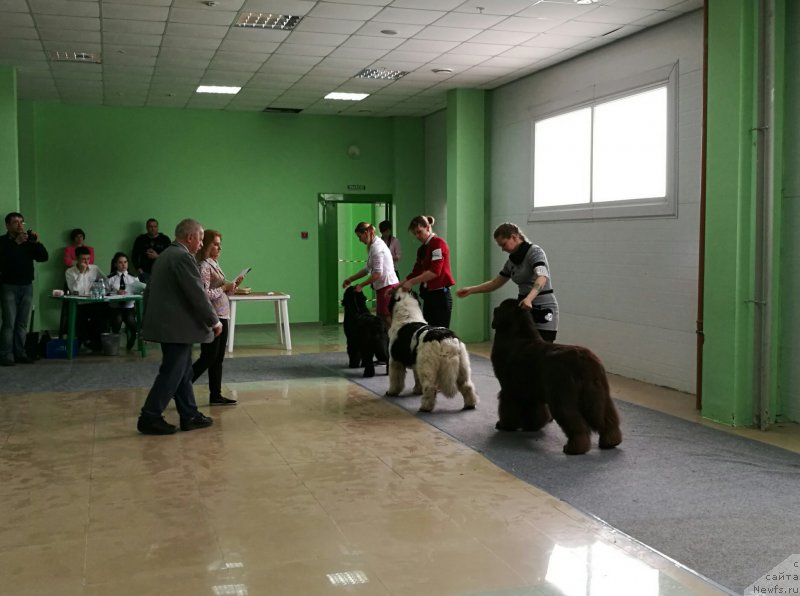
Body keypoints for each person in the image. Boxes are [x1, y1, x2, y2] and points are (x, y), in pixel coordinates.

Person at [137, 218, 221, 435]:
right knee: (172, 372)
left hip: (168, 327)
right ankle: (150, 416)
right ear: (190, 237)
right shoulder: (183, 257)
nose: (202, 244)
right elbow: (197, 294)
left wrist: (145, 322)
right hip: (177, 328)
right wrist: (214, 320)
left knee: (183, 372)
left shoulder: (165, 256)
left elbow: (149, 292)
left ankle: (189, 414)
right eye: (201, 239)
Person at [456, 222, 559, 342]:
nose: (503, 249)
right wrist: (470, 290)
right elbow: (495, 282)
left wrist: (529, 298)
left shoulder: (535, 252)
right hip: (523, 307)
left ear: (514, 237)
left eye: (504, 244)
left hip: (542, 307)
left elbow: (542, 277)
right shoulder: (511, 262)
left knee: (542, 350)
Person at [191, 229, 243, 406]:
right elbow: (203, 294)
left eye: (220, 244)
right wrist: (223, 288)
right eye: (215, 244)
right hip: (213, 317)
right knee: (208, 357)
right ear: (206, 245)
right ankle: (181, 386)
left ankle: (216, 395)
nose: (219, 248)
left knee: (218, 358)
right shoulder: (204, 266)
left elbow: (221, 288)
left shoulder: (214, 263)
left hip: (223, 314)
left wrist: (232, 286)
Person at [0, 212, 49, 366]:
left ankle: (20, 353)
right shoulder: (2, 242)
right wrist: (16, 243)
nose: (20, 225)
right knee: (9, 323)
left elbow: (43, 257)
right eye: (15, 222)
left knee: (22, 323)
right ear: (7, 225)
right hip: (8, 285)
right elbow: (3, 261)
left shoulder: (28, 242)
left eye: (22, 222)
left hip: (27, 285)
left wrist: (36, 242)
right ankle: (6, 355)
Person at [399, 215, 454, 328]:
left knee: (439, 333)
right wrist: (397, 287)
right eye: (415, 233)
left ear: (428, 228)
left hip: (440, 296)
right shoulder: (422, 249)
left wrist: (412, 282)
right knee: (428, 331)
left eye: (419, 232)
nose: (417, 236)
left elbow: (435, 272)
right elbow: (416, 272)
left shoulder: (438, 244)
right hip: (429, 296)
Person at [342, 222, 399, 327]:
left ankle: (392, 341)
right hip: (382, 286)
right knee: (382, 318)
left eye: (360, 236)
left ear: (366, 233)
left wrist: (361, 285)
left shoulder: (377, 247)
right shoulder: (372, 246)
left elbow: (377, 273)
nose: (359, 240)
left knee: (387, 319)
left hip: (388, 286)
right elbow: (367, 269)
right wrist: (351, 279)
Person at [65, 246, 107, 351]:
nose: (86, 261)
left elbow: (106, 281)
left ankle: (98, 342)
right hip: (78, 303)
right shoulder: (70, 272)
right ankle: (86, 340)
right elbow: (75, 290)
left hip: (93, 302)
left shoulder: (94, 268)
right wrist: (81, 273)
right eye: (83, 259)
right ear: (77, 259)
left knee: (102, 314)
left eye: (88, 259)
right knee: (78, 317)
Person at [106, 251, 140, 351]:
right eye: (120, 262)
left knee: (132, 322)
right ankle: (114, 344)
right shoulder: (110, 278)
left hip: (129, 307)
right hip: (115, 307)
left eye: (125, 262)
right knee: (117, 320)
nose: (123, 265)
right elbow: (105, 293)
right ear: (115, 264)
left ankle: (132, 338)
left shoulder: (134, 277)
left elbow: (138, 291)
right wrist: (115, 293)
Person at [131, 218, 170, 283]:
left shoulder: (165, 239)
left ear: (157, 227)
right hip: (145, 273)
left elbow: (169, 256)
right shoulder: (140, 239)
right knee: (145, 292)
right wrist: (139, 269)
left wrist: (157, 256)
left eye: (155, 226)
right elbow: (134, 256)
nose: (153, 228)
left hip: (161, 272)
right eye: (150, 226)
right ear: (147, 227)